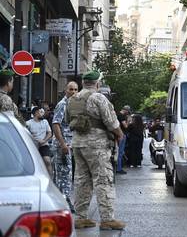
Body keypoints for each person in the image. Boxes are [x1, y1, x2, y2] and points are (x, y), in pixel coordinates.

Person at [65, 71, 125, 230]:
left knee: (81, 180)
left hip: (77, 144)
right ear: (97, 84)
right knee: (103, 179)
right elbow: (111, 122)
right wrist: (120, 135)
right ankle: (107, 219)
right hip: (96, 145)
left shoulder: (72, 99)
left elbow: (67, 120)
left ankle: (81, 217)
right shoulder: (98, 98)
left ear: (83, 83)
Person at [52, 81, 78, 212]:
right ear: (65, 90)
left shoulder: (72, 105)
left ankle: (61, 202)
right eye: (71, 89)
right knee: (64, 175)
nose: (73, 92)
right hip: (62, 146)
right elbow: (56, 124)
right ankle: (64, 203)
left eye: (75, 89)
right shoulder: (62, 104)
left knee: (65, 174)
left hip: (69, 144)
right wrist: (62, 144)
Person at [26, 107, 53, 175]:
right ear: (36, 113)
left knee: (47, 161)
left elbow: (49, 133)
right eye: (40, 112)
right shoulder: (28, 123)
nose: (42, 114)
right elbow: (26, 134)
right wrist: (35, 140)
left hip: (43, 144)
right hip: (33, 145)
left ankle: (50, 179)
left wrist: (44, 140)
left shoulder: (45, 122)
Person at [116, 105, 131, 174]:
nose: (127, 114)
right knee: (120, 152)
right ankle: (119, 168)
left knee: (119, 151)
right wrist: (128, 121)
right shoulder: (121, 116)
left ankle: (118, 167)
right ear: (126, 111)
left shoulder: (116, 114)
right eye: (128, 113)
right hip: (122, 134)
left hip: (117, 134)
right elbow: (125, 126)